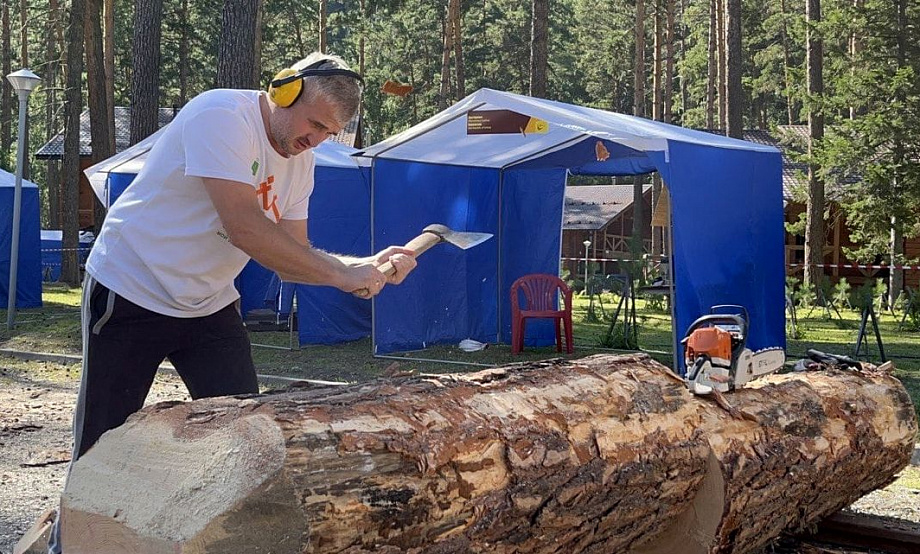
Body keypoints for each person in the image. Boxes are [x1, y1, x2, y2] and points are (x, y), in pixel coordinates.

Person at [47, 53, 416, 553]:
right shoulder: (219, 115)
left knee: (246, 437)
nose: (316, 140)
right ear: (283, 91)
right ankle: (69, 546)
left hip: (209, 303)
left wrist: (362, 266)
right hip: (132, 288)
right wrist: (343, 275)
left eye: (330, 132)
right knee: (102, 438)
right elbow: (246, 228)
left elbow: (293, 258)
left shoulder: (301, 164)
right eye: (314, 124)